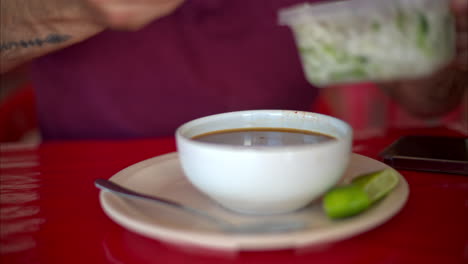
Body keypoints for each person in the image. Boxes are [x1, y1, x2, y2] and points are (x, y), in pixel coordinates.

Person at [1, 0, 466, 140]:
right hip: (85, 192)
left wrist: (442, 32)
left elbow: (428, 98)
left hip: (286, 195)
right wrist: (81, 8)